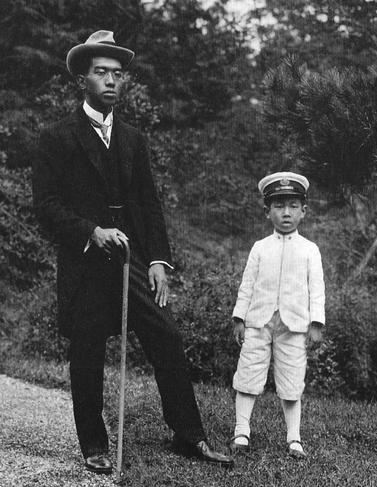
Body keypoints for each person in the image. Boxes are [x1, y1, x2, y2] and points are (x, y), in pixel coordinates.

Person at [31, 30, 234, 474]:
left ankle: (188, 434)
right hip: (85, 260)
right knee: (87, 352)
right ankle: (94, 445)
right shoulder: (57, 136)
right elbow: (44, 206)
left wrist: (159, 260)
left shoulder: (133, 139)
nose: (110, 81)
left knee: (167, 336)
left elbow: (148, 204)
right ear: (82, 79)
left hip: (132, 261)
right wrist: (90, 231)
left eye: (118, 75)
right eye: (101, 72)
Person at [229, 171, 325, 459]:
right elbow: (247, 285)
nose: (286, 213)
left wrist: (316, 322)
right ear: (267, 211)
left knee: (292, 380)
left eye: (293, 206)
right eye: (279, 206)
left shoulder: (310, 250)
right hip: (259, 321)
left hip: (294, 325)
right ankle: (241, 430)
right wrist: (239, 317)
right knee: (248, 374)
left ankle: (294, 437)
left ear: (303, 212)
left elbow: (316, 289)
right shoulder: (260, 248)